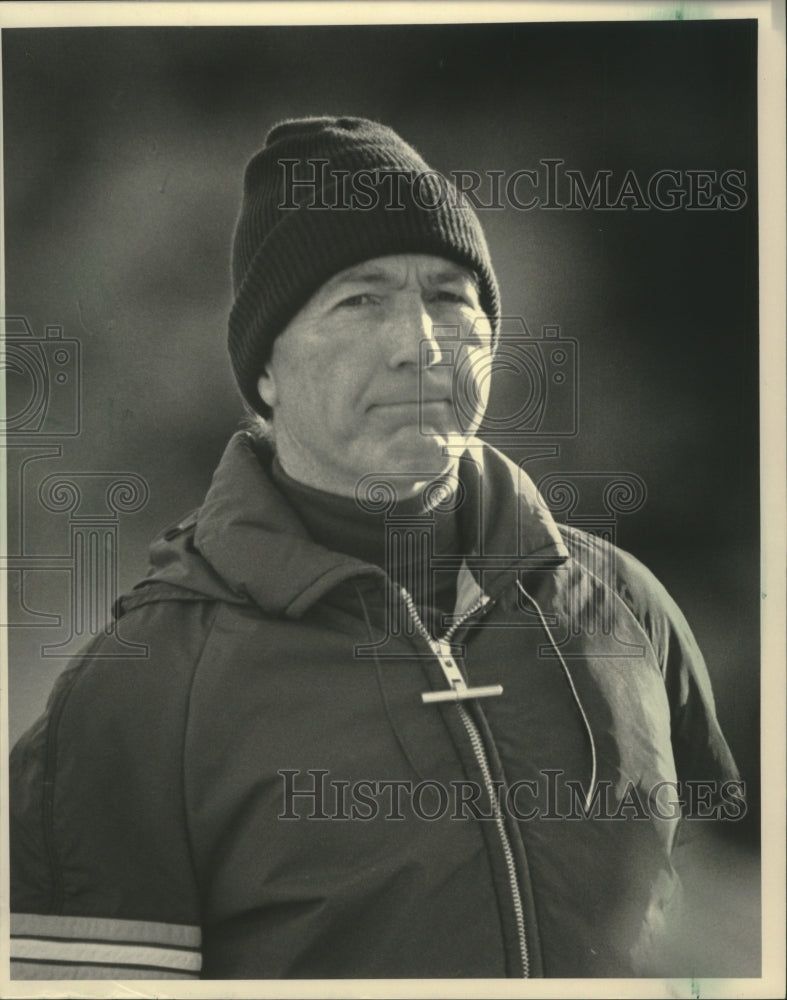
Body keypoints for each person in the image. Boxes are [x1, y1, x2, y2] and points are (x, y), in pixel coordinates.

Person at [9, 116, 741, 980]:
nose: (420, 345)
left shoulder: (625, 603)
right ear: (265, 373)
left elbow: (712, 915)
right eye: (360, 301)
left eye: (447, 297)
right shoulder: (138, 692)